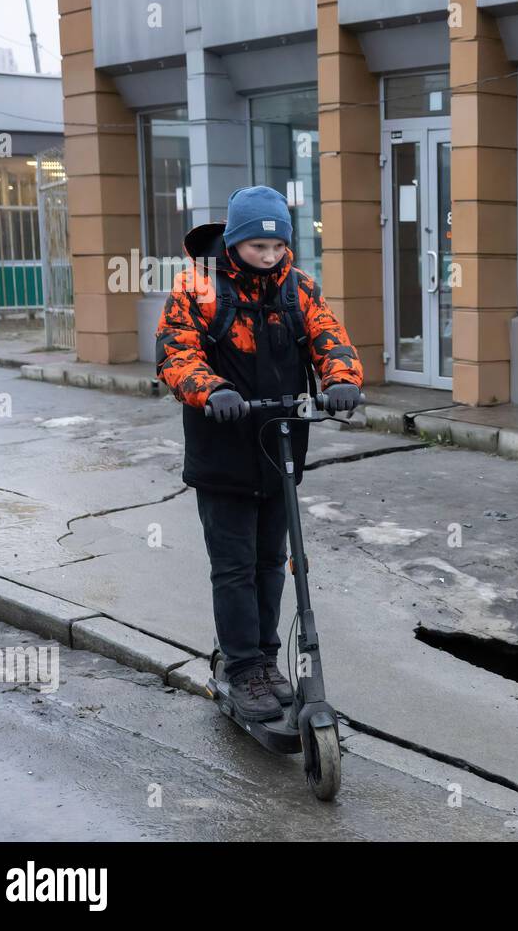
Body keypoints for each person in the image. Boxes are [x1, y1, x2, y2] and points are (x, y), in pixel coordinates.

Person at [156, 185, 363, 721]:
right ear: (235, 240)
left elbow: (330, 339)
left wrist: (341, 380)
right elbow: (175, 355)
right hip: (222, 450)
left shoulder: (298, 289)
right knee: (234, 568)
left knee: (273, 563)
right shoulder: (197, 288)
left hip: (280, 449)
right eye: (257, 248)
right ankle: (241, 667)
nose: (269, 257)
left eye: (276, 248)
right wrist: (212, 390)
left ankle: (267, 662)